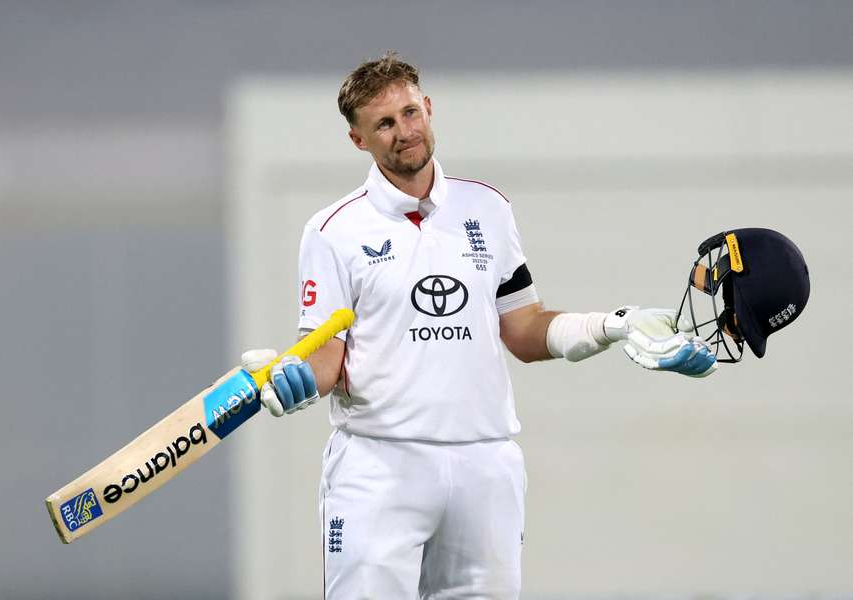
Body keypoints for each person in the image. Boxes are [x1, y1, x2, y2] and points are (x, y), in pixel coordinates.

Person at [241, 52, 716, 600]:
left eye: (411, 113)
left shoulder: (487, 208)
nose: (404, 132)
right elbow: (327, 356)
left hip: (485, 464)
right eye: (385, 124)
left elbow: (523, 329)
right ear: (358, 140)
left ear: (428, 107)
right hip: (379, 467)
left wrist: (614, 324)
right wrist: (293, 379)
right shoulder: (332, 231)